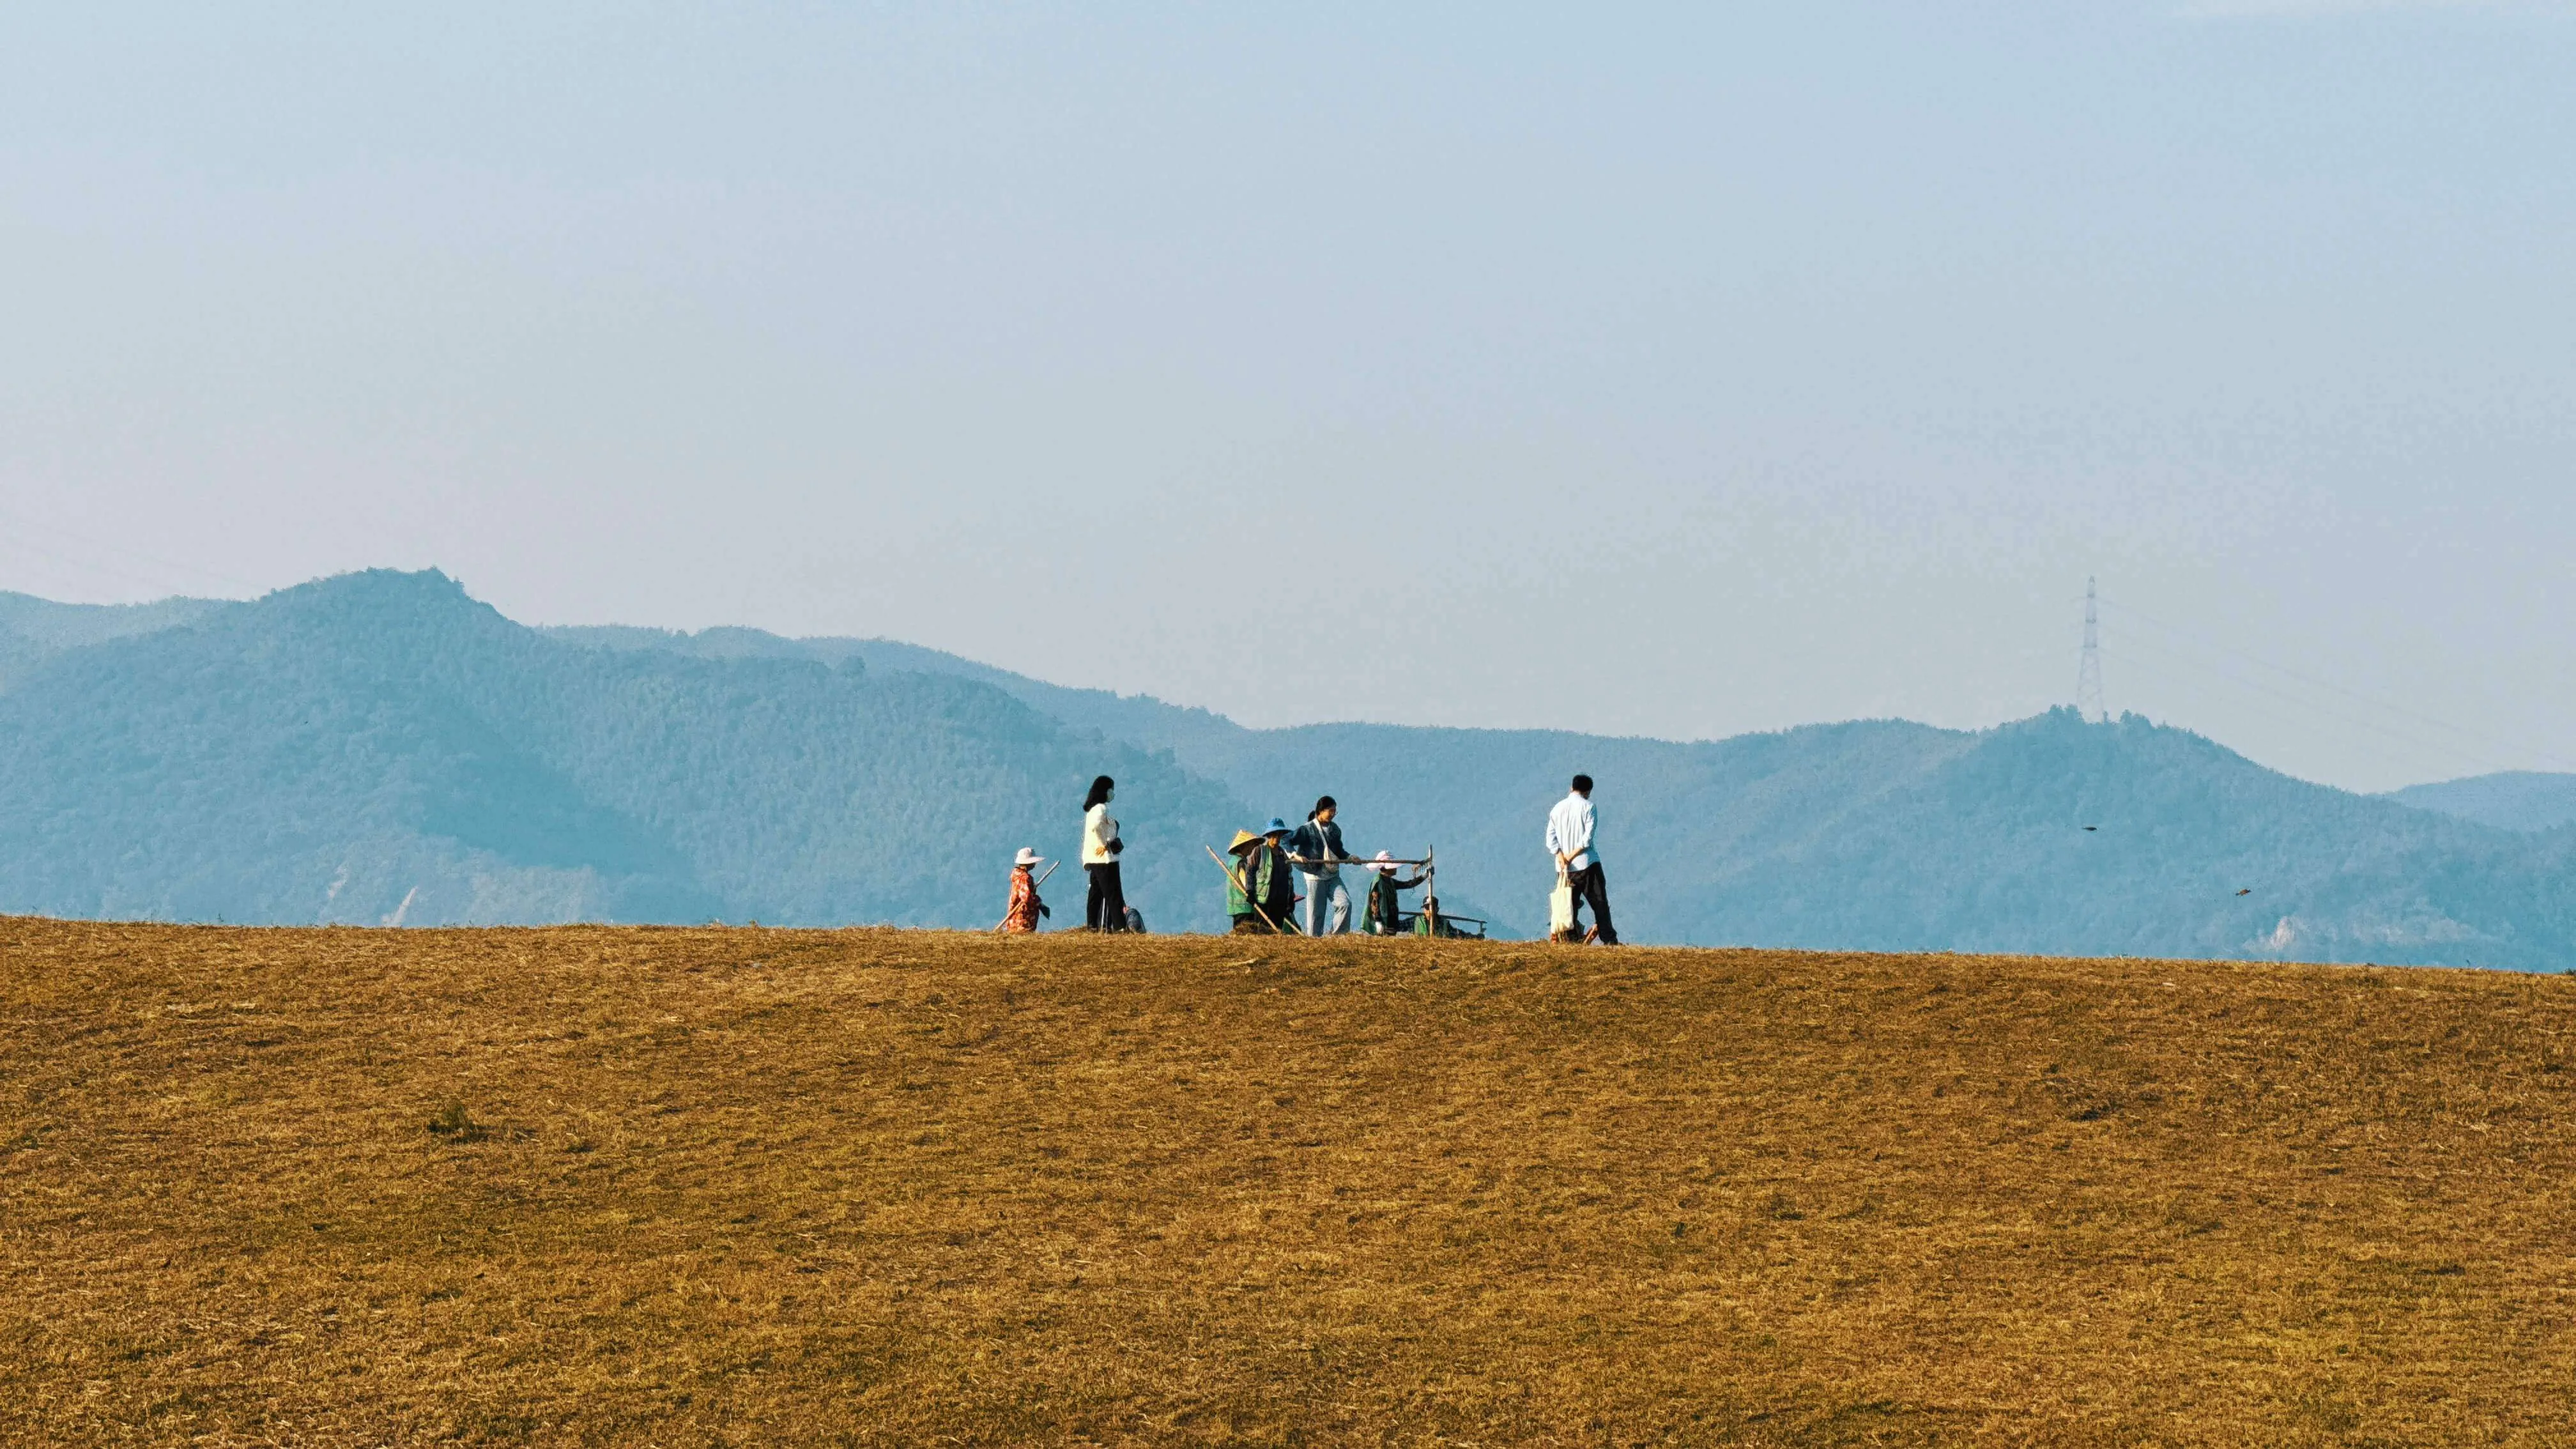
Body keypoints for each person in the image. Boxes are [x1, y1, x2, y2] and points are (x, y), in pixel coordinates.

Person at [1546, 773, 1618, 944]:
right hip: (1587, 864)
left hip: (1564, 869)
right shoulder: (1589, 807)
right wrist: (1572, 855)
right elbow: (1587, 838)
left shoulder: (1557, 808)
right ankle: (1609, 940)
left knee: (1568, 907)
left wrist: (1561, 856)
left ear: (1571, 788)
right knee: (1600, 903)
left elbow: (1550, 838)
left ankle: (1570, 939)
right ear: (1588, 792)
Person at [1287, 795, 1356, 937]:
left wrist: (1350, 857)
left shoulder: (1335, 830)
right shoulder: (1307, 829)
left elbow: (1338, 851)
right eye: (1330, 811)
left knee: (1345, 903)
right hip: (1315, 876)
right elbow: (1286, 840)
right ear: (1320, 811)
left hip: (1332, 874)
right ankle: (1314, 943)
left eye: (1335, 812)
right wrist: (1295, 855)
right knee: (1316, 914)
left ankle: (1337, 936)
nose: (1333, 815)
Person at [1081, 775, 1127, 932]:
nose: (1113, 794)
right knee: (1113, 893)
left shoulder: (1092, 809)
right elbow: (1096, 827)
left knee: (1096, 892)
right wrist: (1103, 845)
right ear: (1105, 791)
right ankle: (1120, 926)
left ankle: (1092, 924)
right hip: (1105, 859)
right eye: (1111, 790)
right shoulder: (1101, 808)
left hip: (1093, 859)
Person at [1360, 850, 1426, 935]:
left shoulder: (1390, 882)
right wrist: (1378, 921)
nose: (1396, 868)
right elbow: (1374, 903)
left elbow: (1408, 884)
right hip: (1384, 922)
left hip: (1392, 920)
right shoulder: (1378, 882)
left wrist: (1424, 876)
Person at [1000, 847, 1050, 933]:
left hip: (1015, 920)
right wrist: (1041, 905)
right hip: (1022, 920)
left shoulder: (1017, 876)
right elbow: (1026, 898)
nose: (1035, 864)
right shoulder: (1024, 878)